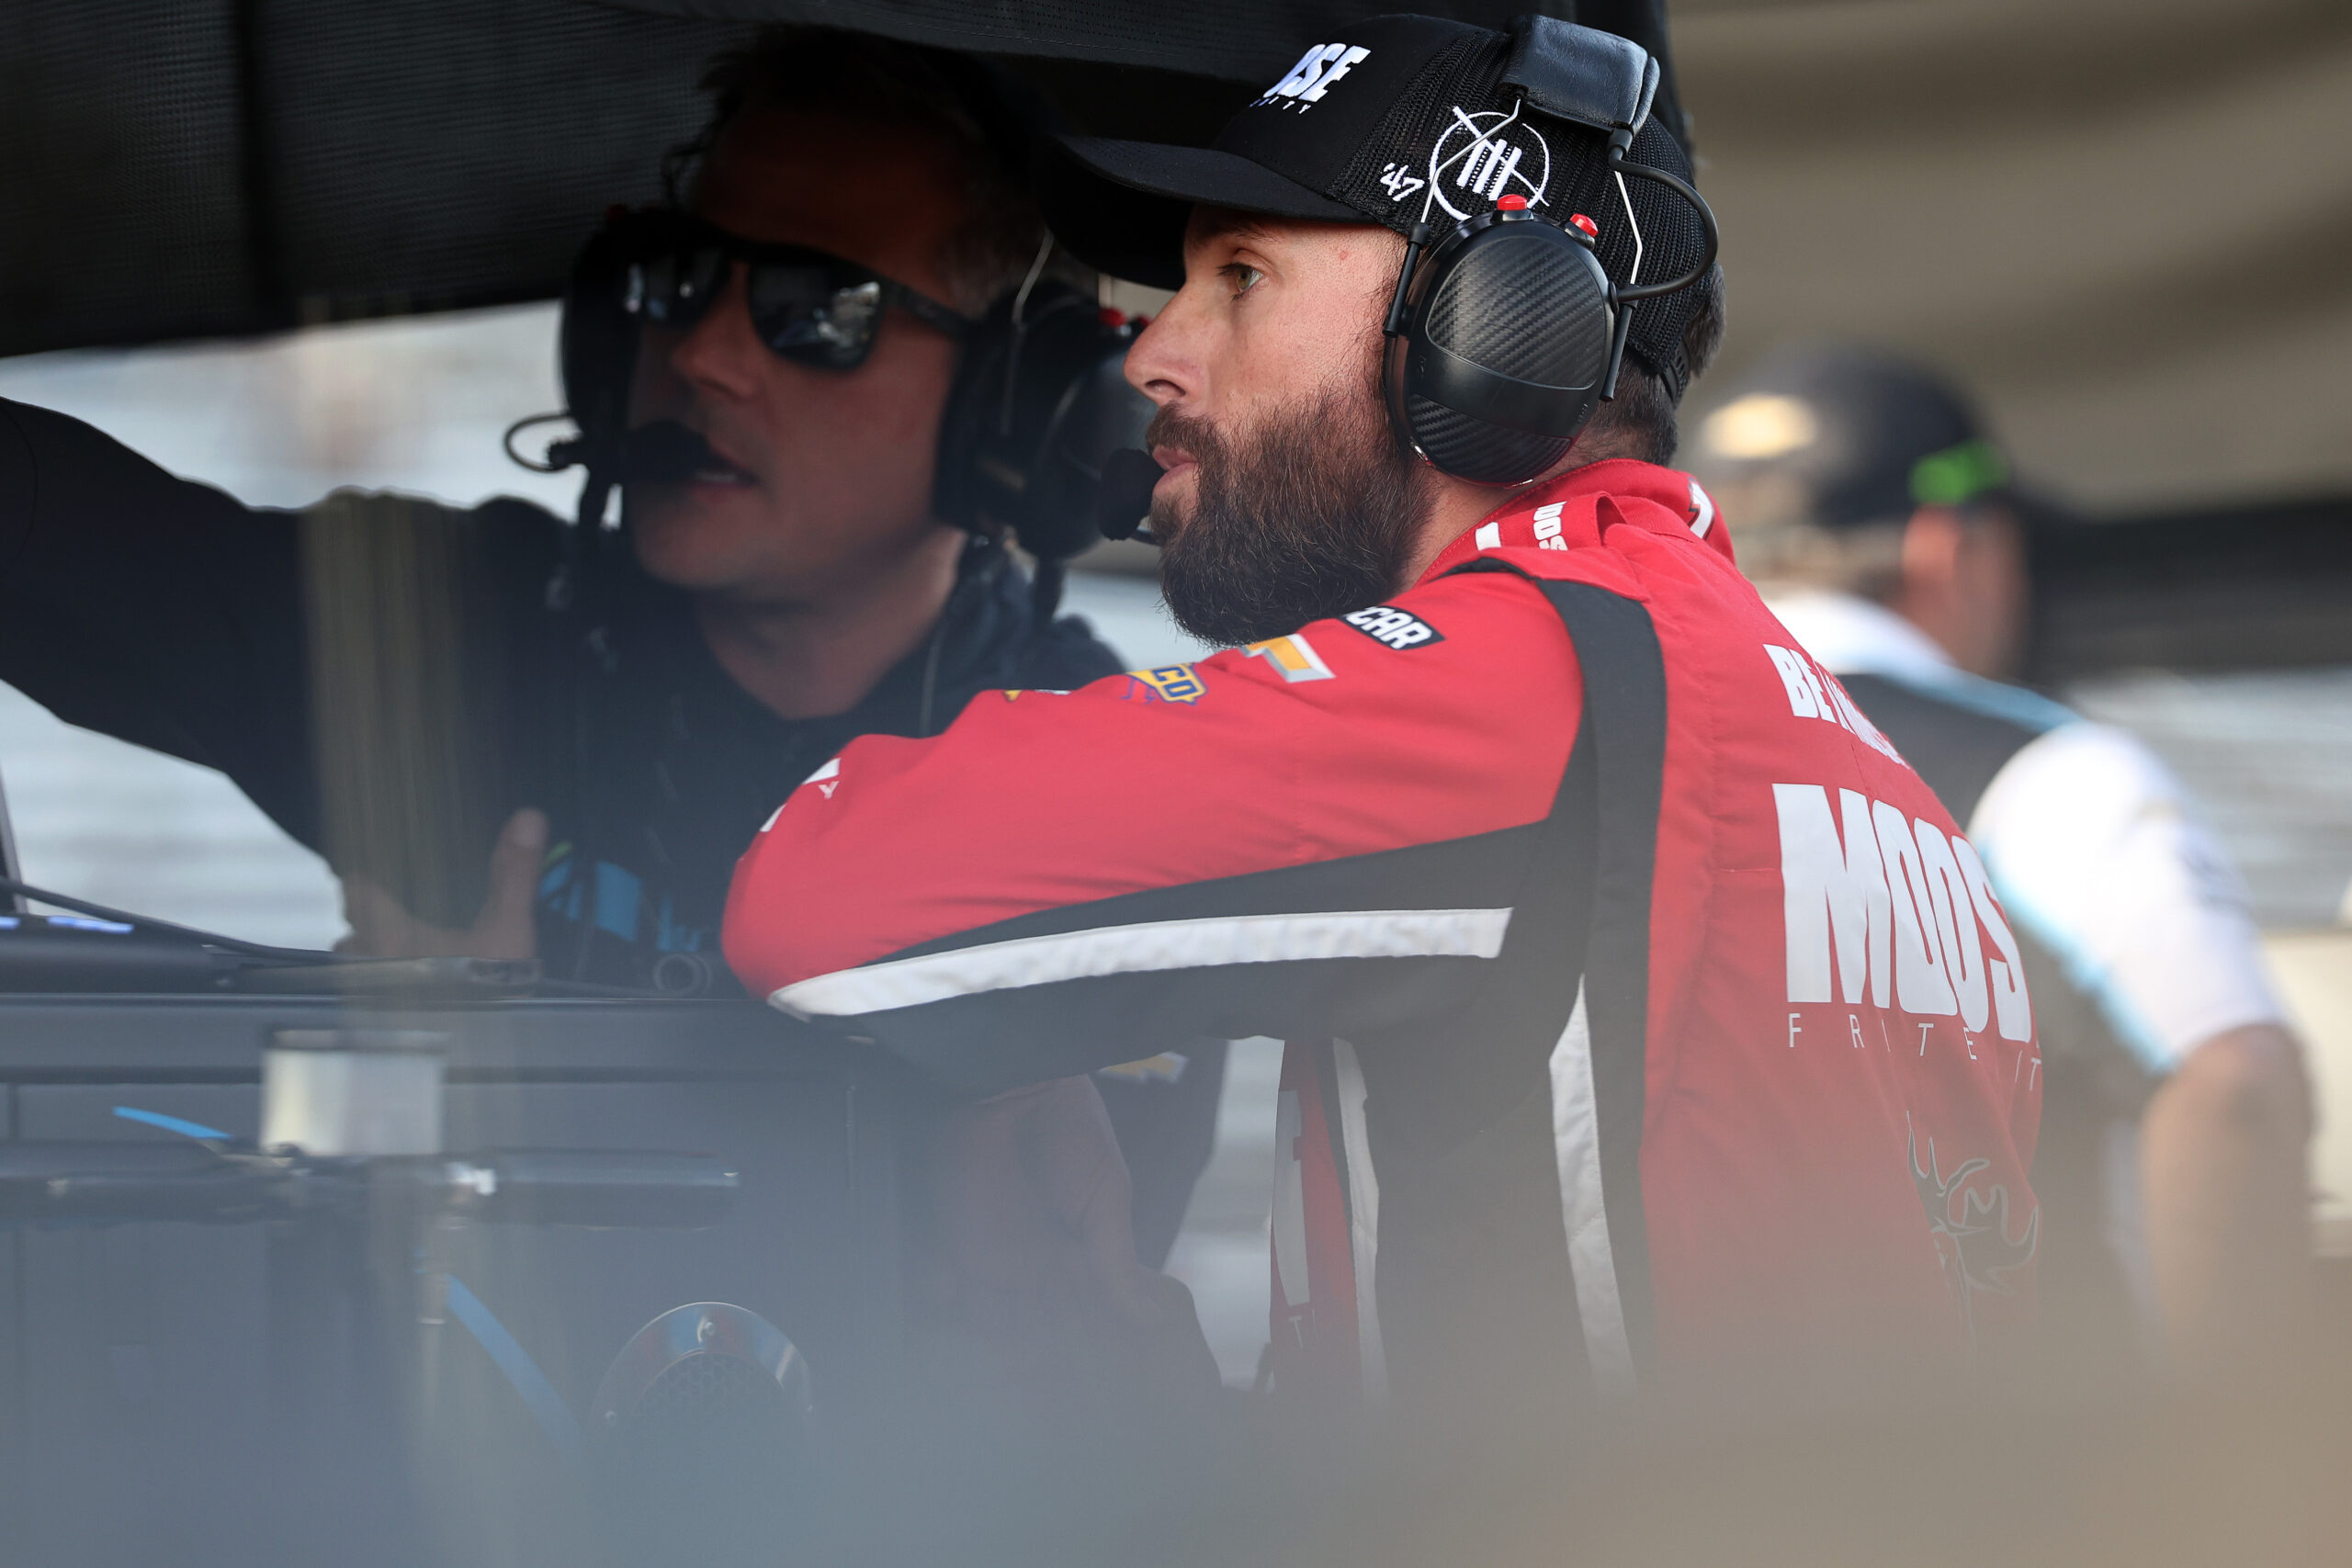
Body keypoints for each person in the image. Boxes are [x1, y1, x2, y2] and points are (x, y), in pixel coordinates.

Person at [724, 13, 2044, 1432]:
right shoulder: (1858, 763)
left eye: (1241, 277)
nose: (1153, 353)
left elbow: (814, 899)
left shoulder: (1527, 682)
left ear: (1497, 331)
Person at [0, 28, 1228, 1264]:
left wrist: (530, 1096)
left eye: (819, 312)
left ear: (1009, 408)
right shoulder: (472, 632)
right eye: (684, 278)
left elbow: (1040, 1311)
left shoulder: (1110, 802)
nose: (697, 356)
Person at [1687, 345, 2312, 1378]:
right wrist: (2222, 1447)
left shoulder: (1610, 762)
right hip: (2033, 1483)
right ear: (1952, 548)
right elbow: (2233, 1083)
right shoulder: (2051, 775)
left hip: (1677, 1488)